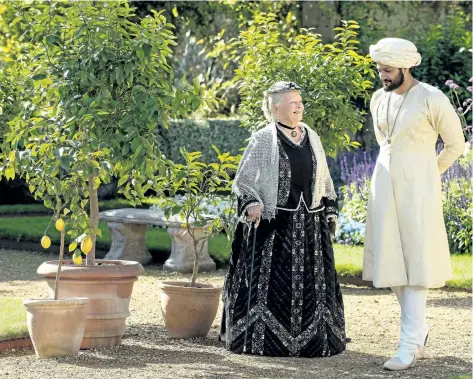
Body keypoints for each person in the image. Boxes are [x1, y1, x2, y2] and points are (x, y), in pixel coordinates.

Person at [220, 81, 346, 357]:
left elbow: (323, 177)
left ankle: (315, 342)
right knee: (271, 283)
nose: (299, 106)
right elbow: (243, 179)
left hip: (310, 223)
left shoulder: (311, 135)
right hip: (275, 226)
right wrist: (252, 202)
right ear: (276, 109)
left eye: (300, 102)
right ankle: (264, 341)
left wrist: (329, 206)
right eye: (293, 103)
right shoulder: (264, 138)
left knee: (316, 284)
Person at [363, 38, 465, 371]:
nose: (383, 75)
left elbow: (455, 144)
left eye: (388, 70)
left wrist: (428, 173)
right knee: (389, 258)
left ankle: (408, 344)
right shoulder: (378, 99)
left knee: (417, 262)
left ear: (406, 67)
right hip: (383, 187)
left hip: (419, 191)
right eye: (380, 69)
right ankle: (419, 329)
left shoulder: (432, 98)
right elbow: (385, 143)